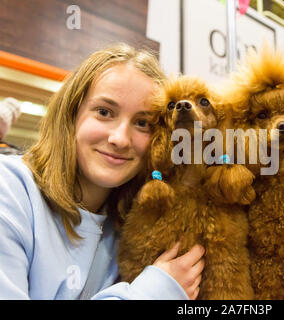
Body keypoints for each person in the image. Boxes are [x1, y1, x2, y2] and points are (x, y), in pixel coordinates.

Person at [0, 43, 205, 300]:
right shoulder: (10, 191)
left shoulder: (135, 223)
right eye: (104, 112)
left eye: (143, 123)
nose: (120, 139)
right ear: (71, 114)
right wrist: (154, 292)